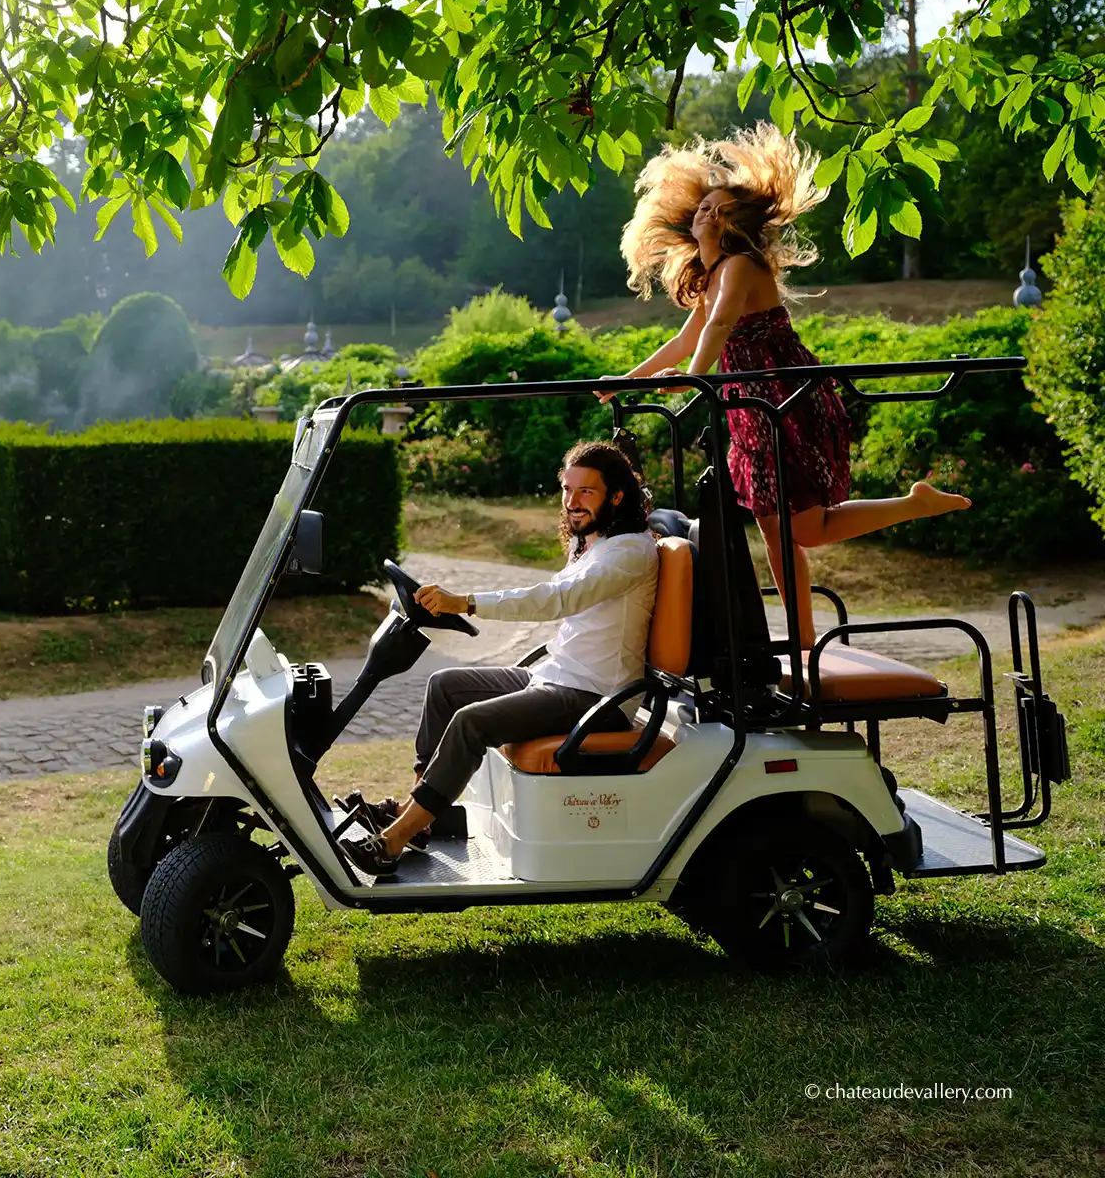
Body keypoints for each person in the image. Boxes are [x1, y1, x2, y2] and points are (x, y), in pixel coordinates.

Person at [606, 123, 969, 640]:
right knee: (781, 533)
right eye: (703, 207)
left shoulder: (741, 266)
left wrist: (691, 380)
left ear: (735, 222)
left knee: (801, 529)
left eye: (718, 208)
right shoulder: (712, 276)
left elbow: (719, 327)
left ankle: (912, 508)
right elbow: (686, 340)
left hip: (784, 399)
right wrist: (626, 381)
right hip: (750, 409)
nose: (706, 213)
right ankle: (802, 641)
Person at [341, 440, 659, 876]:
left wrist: (464, 602)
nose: (572, 502)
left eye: (587, 492)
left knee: (471, 722)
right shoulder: (594, 541)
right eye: (567, 489)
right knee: (444, 685)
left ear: (617, 495)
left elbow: (553, 600)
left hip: (597, 696)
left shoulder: (629, 553)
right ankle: (416, 822)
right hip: (558, 676)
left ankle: (392, 843)